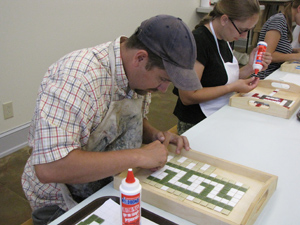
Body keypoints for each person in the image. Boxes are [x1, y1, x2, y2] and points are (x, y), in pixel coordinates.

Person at [21, 15, 201, 225]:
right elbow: (49, 167)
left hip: (110, 184)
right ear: (140, 58)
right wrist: (139, 156)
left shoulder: (138, 77)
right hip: (63, 203)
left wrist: (154, 134)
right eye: (163, 80)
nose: (163, 90)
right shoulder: (77, 79)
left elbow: (123, 119)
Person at [173, 0, 272, 135]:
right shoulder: (198, 42)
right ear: (225, 19)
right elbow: (188, 96)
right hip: (196, 123)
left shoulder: (225, 38)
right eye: (243, 30)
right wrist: (232, 88)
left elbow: (221, 77)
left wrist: (250, 66)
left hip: (220, 113)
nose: (244, 36)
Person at [257, 0, 300, 79]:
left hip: (275, 73)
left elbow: (279, 48)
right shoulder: (278, 21)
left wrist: (294, 50)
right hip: (266, 76)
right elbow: (266, 56)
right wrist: (296, 56)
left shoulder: (286, 23)